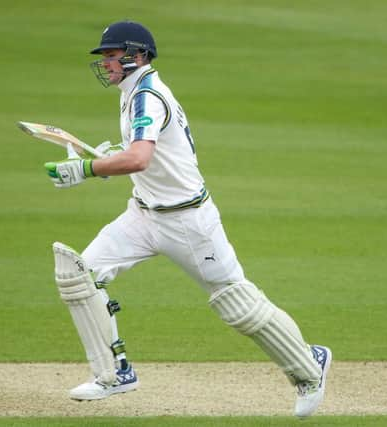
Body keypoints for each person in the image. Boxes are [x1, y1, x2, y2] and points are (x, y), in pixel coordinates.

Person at [45, 20, 332, 418]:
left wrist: (89, 169)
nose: (107, 63)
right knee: (80, 274)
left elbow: (140, 158)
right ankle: (114, 373)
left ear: (138, 56)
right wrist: (112, 157)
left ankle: (308, 365)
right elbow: (145, 156)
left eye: (113, 55)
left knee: (237, 304)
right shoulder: (132, 93)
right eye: (105, 57)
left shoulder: (148, 95)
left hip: (189, 222)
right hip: (143, 215)